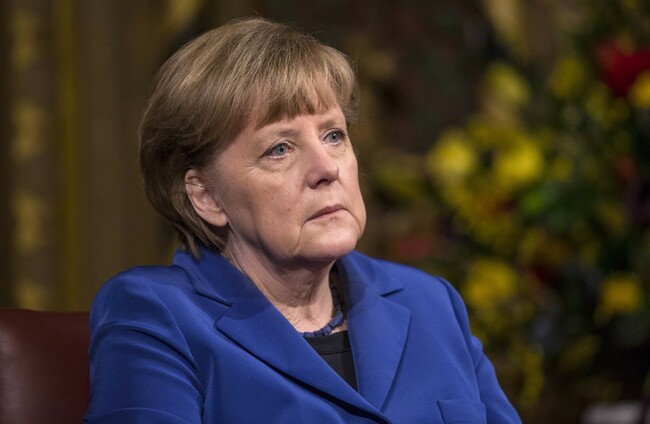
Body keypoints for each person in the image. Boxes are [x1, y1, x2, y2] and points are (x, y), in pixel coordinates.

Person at [84, 17, 521, 423]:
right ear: (206, 196)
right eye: (280, 149)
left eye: (333, 135)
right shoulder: (155, 316)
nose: (326, 168)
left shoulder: (430, 302)